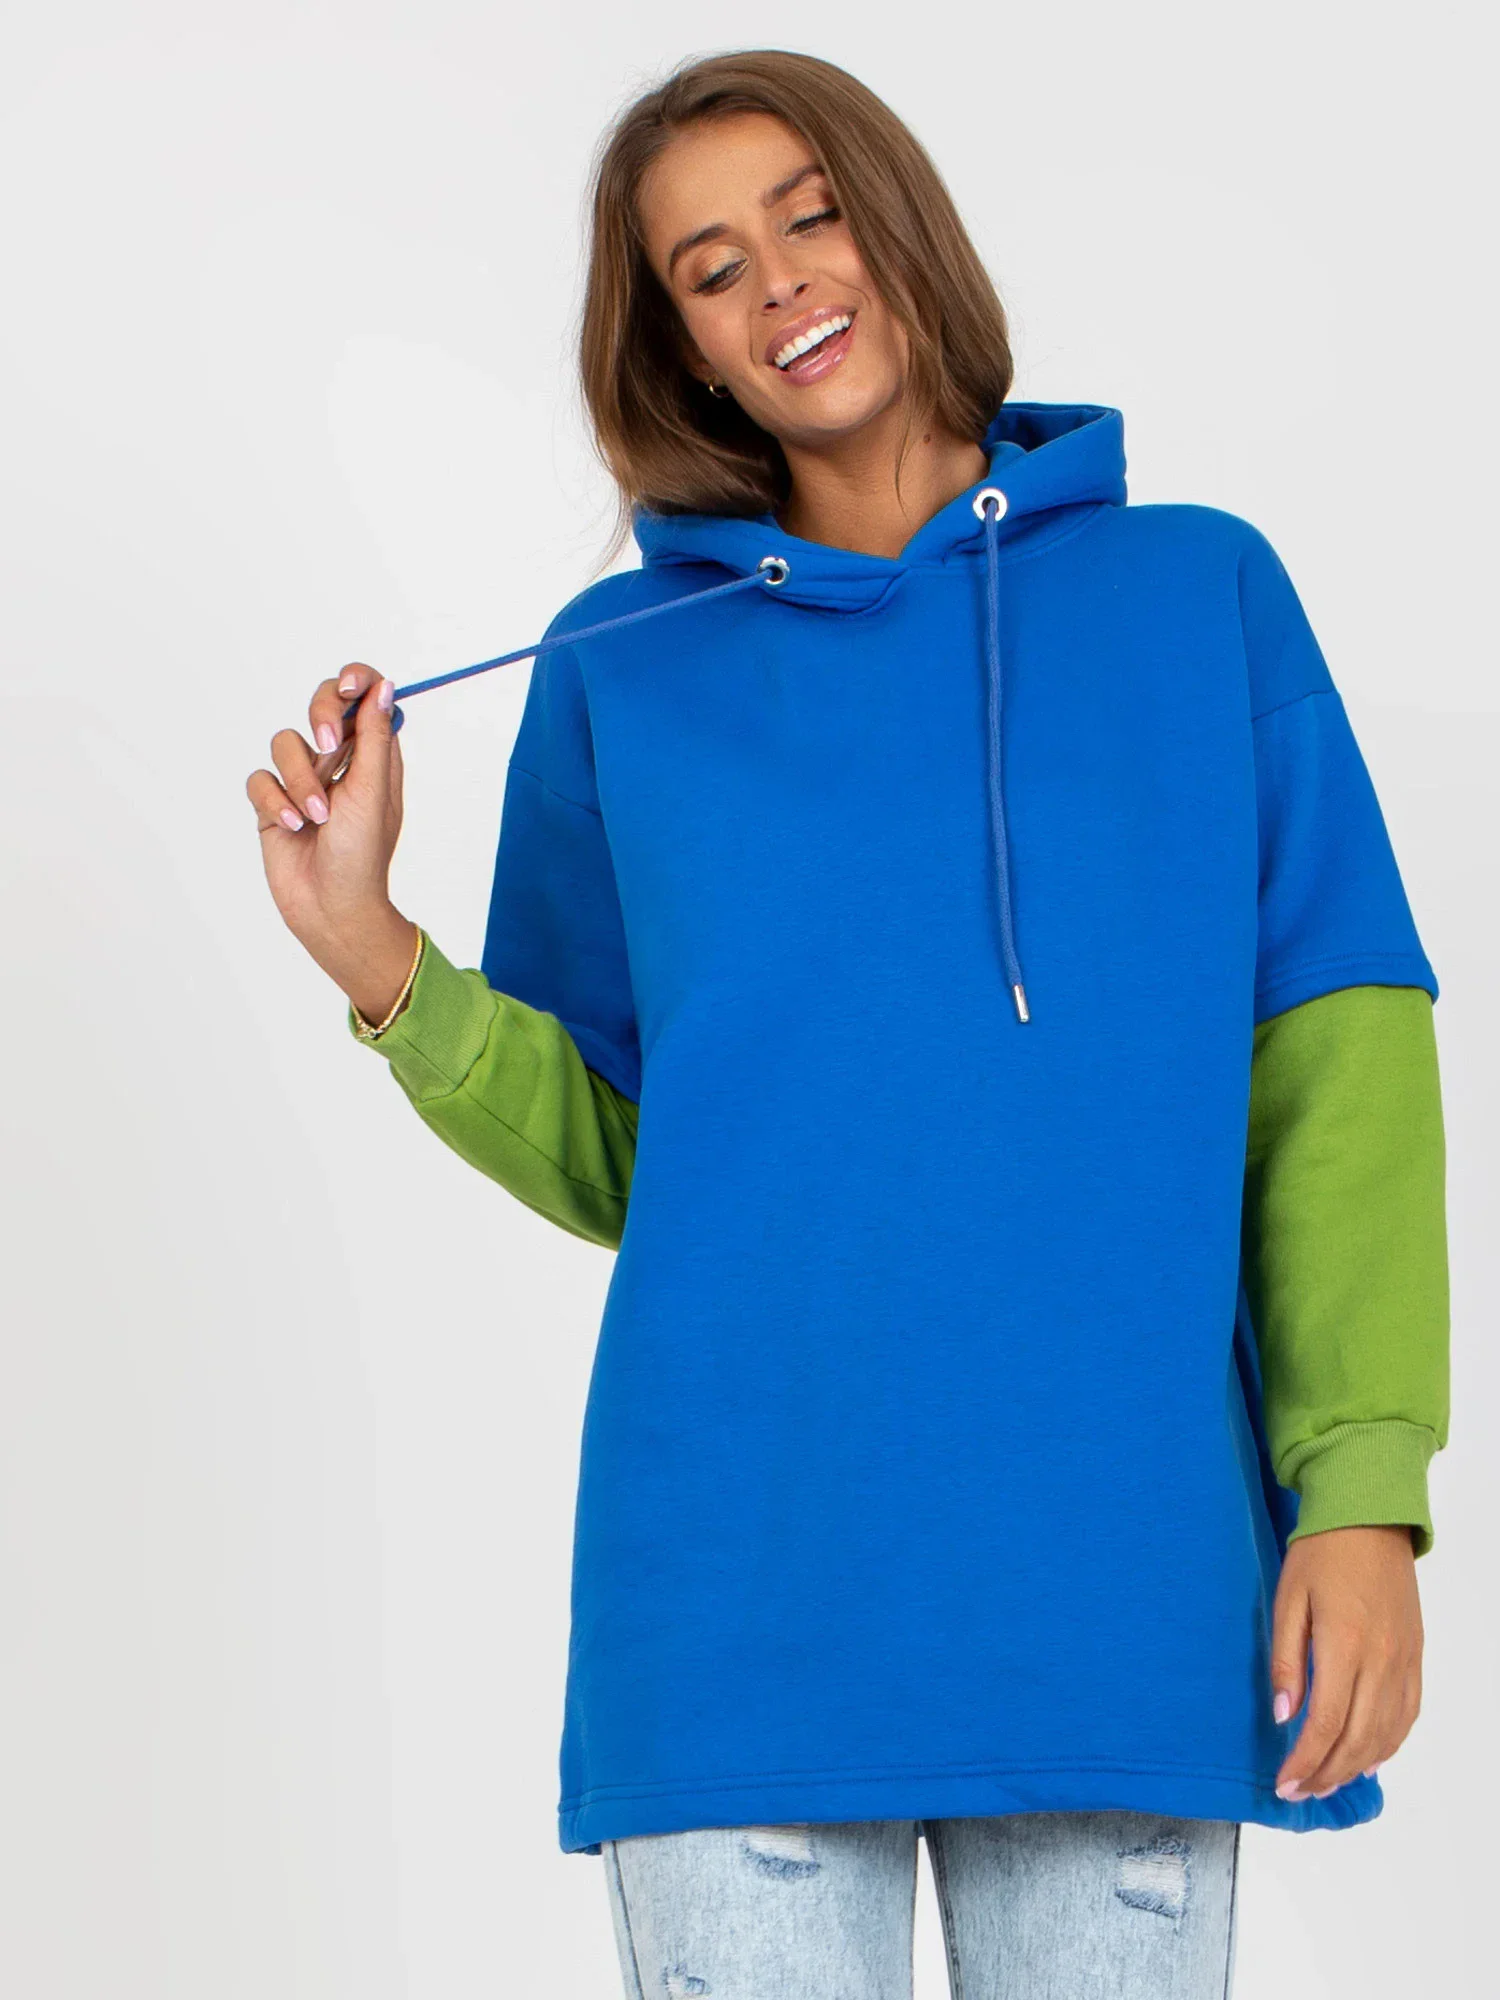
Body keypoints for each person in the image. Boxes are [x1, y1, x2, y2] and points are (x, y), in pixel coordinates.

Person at [245, 48, 1449, 2000]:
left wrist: (1366, 1489)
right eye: (710, 267)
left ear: (900, 223)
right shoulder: (619, 674)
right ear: (681, 351)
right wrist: (375, 949)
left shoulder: (1200, 593)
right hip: (737, 1615)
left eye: (811, 215)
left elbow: (1339, 1057)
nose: (782, 281)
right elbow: (635, 1154)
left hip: (1120, 1591)